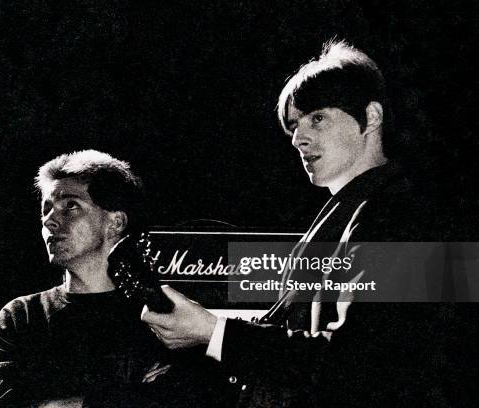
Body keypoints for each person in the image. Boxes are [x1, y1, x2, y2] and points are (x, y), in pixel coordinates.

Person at [142, 40, 453, 407]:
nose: (299, 139)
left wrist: (211, 331)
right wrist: (207, 325)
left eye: (317, 118)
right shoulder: (346, 214)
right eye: (293, 126)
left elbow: (359, 366)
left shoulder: (401, 213)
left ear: (371, 117)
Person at [0, 150, 174, 407]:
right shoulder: (22, 316)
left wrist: (58, 404)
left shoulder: (161, 314)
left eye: (70, 206)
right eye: (46, 209)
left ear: (115, 222)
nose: (49, 220)